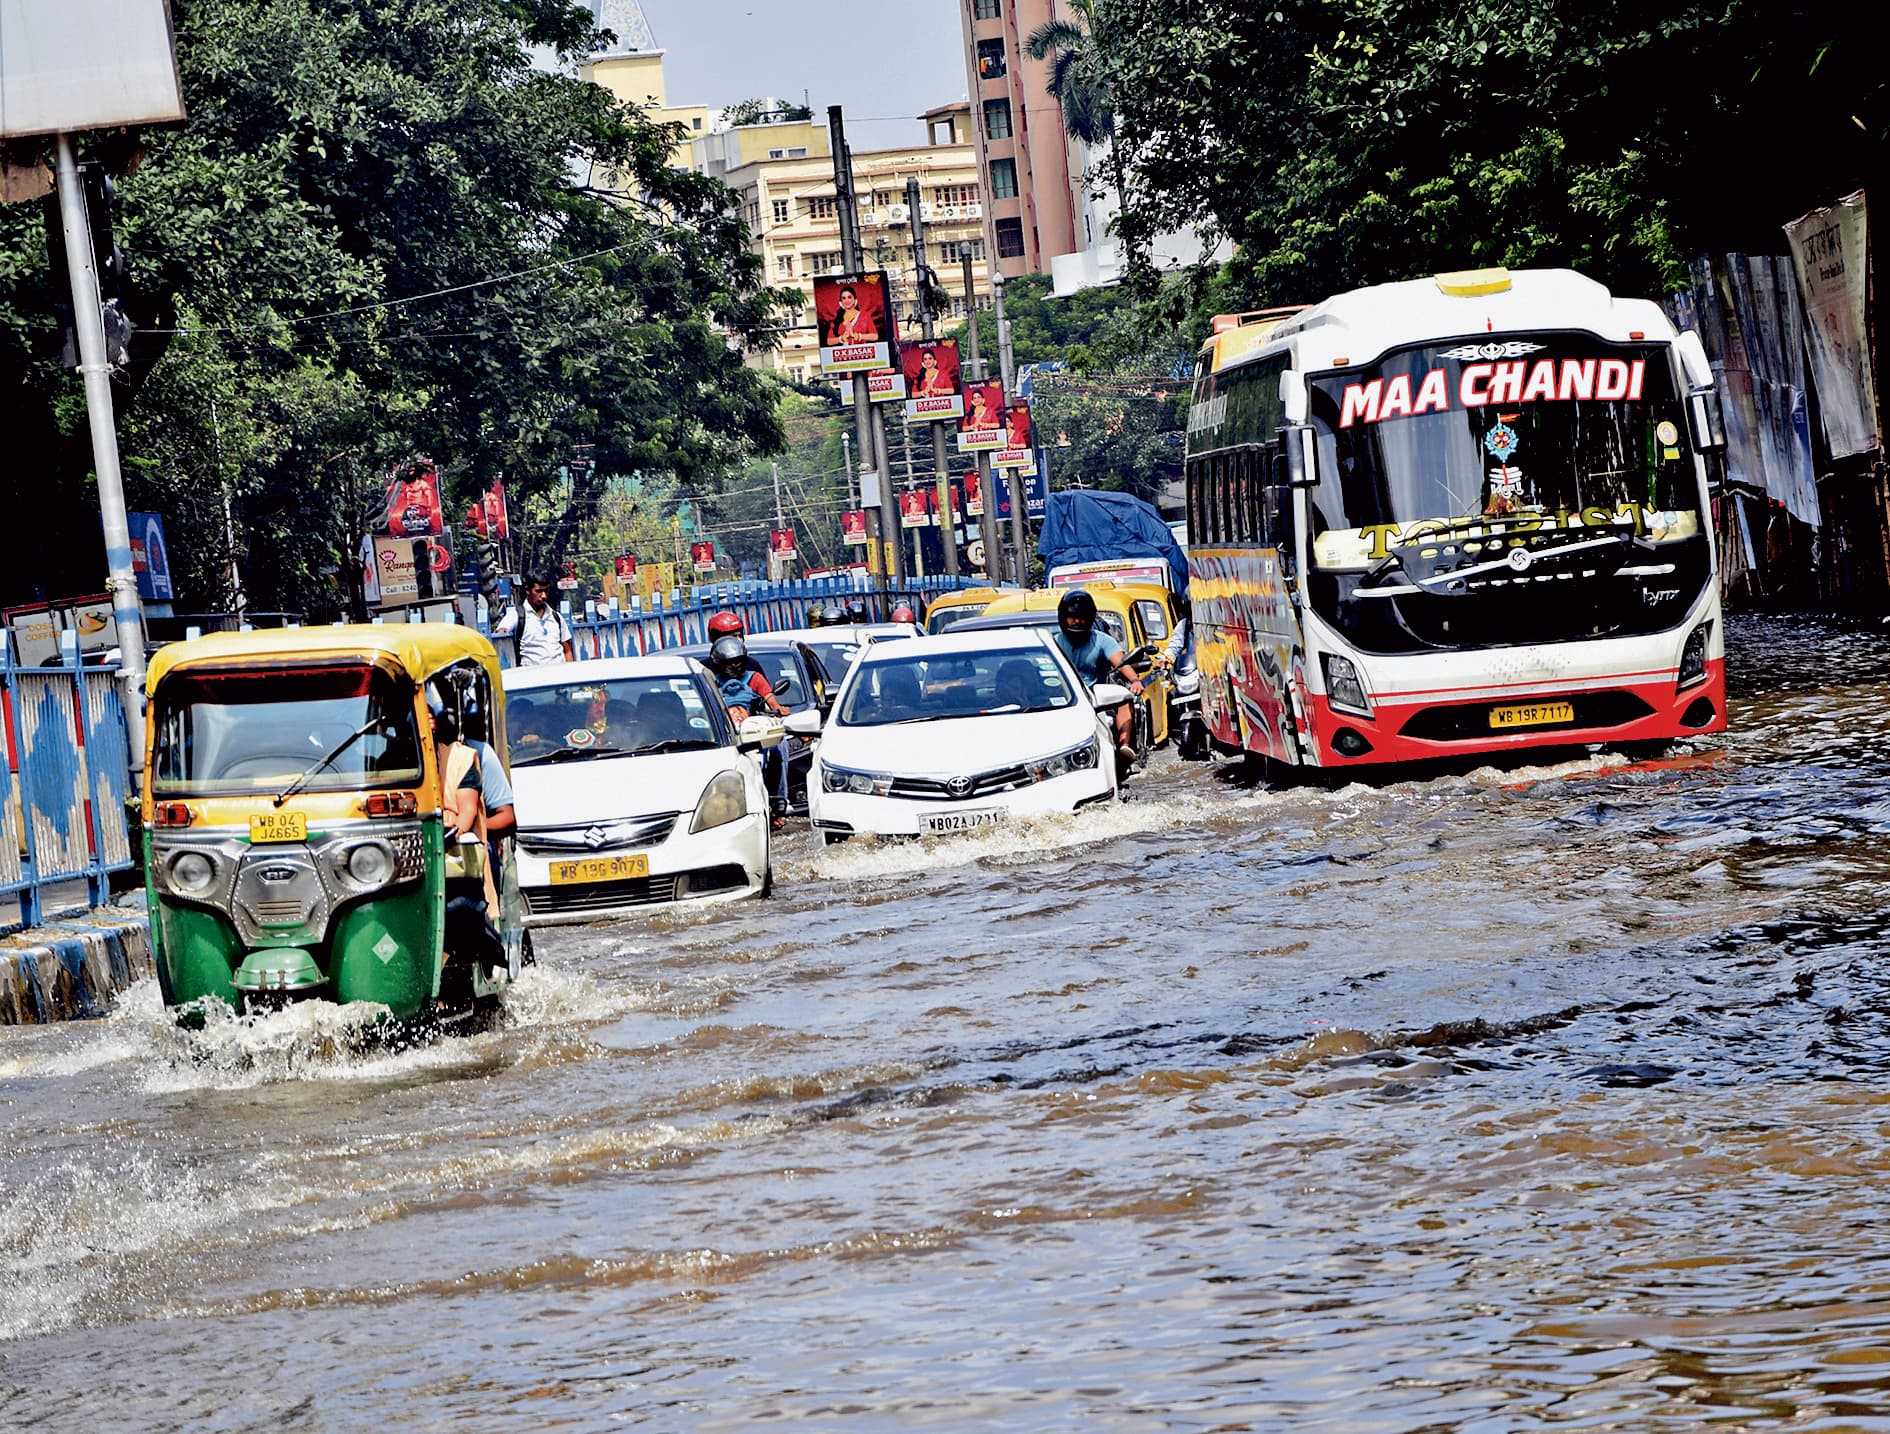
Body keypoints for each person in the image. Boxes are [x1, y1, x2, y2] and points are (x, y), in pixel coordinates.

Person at [433, 704, 504, 972]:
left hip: (456, 858)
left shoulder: (462, 759)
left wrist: (449, 833)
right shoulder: (391, 760)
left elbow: (468, 813)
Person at [706, 635, 790, 827]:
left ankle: (778, 802)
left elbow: (770, 699)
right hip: (726, 733)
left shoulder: (755, 678)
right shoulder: (712, 682)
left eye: (738, 661)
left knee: (779, 747)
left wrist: (778, 710)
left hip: (755, 729)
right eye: (730, 663)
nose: (735, 666)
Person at [1051, 588, 1143, 762]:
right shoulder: (1054, 642)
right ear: (1063, 618)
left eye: (1082, 617)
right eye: (1072, 617)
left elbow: (1121, 663)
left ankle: (1124, 748)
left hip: (1097, 701)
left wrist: (1135, 680)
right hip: (1062, 700)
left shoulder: (1102, 640)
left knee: (1125, 699)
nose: (1077, 621)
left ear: (1091, 618)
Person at [491, 570, 573, 666]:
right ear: (527, 590)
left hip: (559, 675)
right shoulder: (517, 615)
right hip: (532, 677)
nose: (543, 596)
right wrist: (502, 630)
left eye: (546, 591)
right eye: (538, 591)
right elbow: (502, 631)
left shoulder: (556, 617)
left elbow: (567, 651)